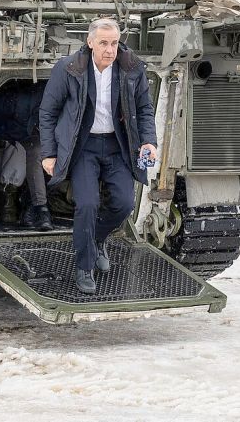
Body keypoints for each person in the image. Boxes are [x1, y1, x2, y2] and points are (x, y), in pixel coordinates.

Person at [39, 18, 158, 294]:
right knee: (87, 204)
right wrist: (49, 153)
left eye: (114, 43)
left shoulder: (131, 68)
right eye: (103, 43)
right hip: (83, 147)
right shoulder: (69, 68)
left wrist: (149, 142)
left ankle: (97, 239)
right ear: (90, 42)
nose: (110, 49)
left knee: (124, 204)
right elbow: (47, 112)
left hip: (117, 145)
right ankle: (84, 267)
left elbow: (144, 108)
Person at [0, 82, 53, 230]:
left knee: (32, 149)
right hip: (0, 145)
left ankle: (23, 206)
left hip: (24, 146)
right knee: (23, 148)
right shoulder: (18, 103)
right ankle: (10, 204)